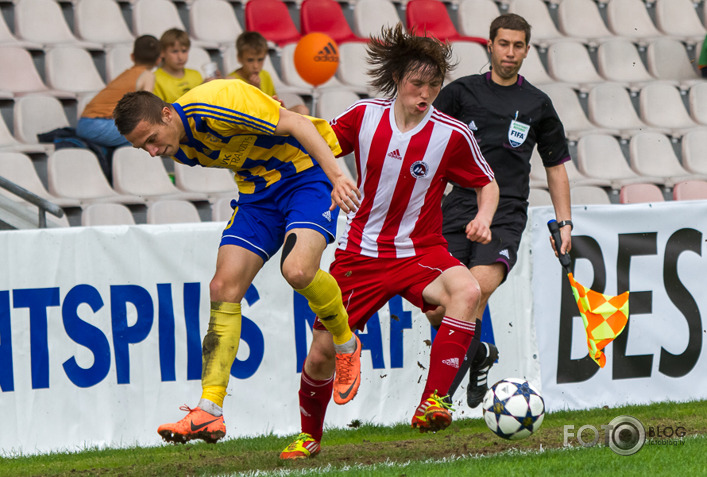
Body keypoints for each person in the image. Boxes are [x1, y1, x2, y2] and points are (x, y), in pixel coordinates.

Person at [279, 24, 500, 460]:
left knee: (468, 290)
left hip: (421, 251)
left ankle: (433, 401)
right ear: (398, 79)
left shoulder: (451, 134)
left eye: (434, 85)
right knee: (321, 355)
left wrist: (484, 217)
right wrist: (329, 177)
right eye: (418, 83)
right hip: (360, 255)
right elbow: (317, 149)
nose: (426, 93)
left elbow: (487, 183)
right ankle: (309, 437)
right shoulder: (363, 117)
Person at [112, 79, 363, 444]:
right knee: (222, 288)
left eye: (151, 139)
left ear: (167, 113)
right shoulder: (177, 145)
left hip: (306, 174)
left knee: (297, 271)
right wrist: (260, 104)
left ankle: (345, 344)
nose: (152, 152)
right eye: (142, 148)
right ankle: (209, 410)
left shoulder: (214, 105)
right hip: (257, 193)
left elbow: (297, 124)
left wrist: (337, 175)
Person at [430, 13, 572, 409]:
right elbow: (428, 146)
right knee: (438, 309)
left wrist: (564, 223)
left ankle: (438, 401)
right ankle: (480, 355)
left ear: (527, 50)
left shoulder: (538, 104)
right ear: (490, 46)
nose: (510, 53)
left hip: (507, 214)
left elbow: (556, 167)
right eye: (503, 44)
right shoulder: (459, 94)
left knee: (471, 294)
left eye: (518, 45)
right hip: (457, 207)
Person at [76, 35, 161, 149]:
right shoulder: (147, 75)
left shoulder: (126, 74)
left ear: (132, 57)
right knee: (152, 132)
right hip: (98, 125)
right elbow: (147, 109)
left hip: (86, 123)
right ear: (159, 60)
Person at [228, 31, 310, 115]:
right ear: (239, 58)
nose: (256, 66)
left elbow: (273, 106)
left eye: (260, 60)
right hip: (251, 122)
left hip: (270, 117)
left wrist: (279, 106)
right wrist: (255, 91)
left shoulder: (265, 75)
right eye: (250, 60)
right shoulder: (232, 81)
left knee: (302, 109)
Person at [153, 28, 204, 102]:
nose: (180, 57)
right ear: (162, 52)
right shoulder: (155, 79)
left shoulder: (196, 75)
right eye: (174, 51)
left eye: (184, 51)